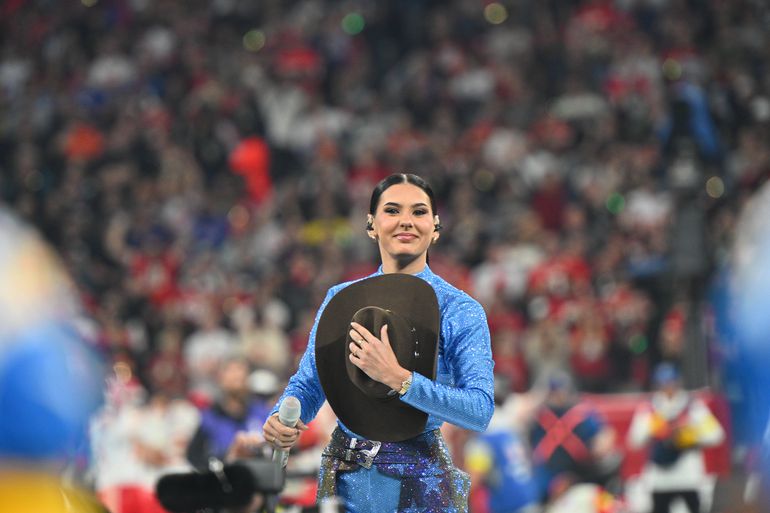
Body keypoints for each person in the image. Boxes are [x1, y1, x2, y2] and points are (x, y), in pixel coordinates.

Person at [262, 173, 495, 513]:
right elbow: (309, 384)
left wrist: (401, 380)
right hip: (344, 481)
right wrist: (281, 417)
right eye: (392, 210)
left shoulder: (459, 309)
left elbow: (479, 411)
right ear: (371, 225)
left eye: (418, 212)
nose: (406, 221)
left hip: (419, 484)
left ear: (436, 226)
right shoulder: (339, 299)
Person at [626, 362, 725, 513]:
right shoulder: (649, 409)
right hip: (659, 477)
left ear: (678, 381)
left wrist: (690, 435)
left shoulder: (693, 407)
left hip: (688, 475)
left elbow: (716, 435)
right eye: (663, 383)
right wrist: (654, 431)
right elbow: (634, 440)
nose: (668, 387)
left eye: (670, 382)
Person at [528, 371, 618, 502]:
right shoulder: (537, 414)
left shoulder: (581, 412)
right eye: (553, 392)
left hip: (579, 472)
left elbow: (606, 435)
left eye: (559, 391)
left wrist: (602, 444)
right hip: (547, 473)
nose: (557, 396)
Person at [464, 375, 539, 513]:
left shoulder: (483, 437)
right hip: (531, 497)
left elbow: (473, 480)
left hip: (511, 505)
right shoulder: (509, 426)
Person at [187, 356, 272, 472]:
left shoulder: (262, 413)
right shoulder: (209, 417)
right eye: (231, 371)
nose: (237, 375)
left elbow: (278, 451)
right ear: (220, 379)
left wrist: (259, 450)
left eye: (241, 371)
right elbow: (194, 456)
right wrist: (226, 459)